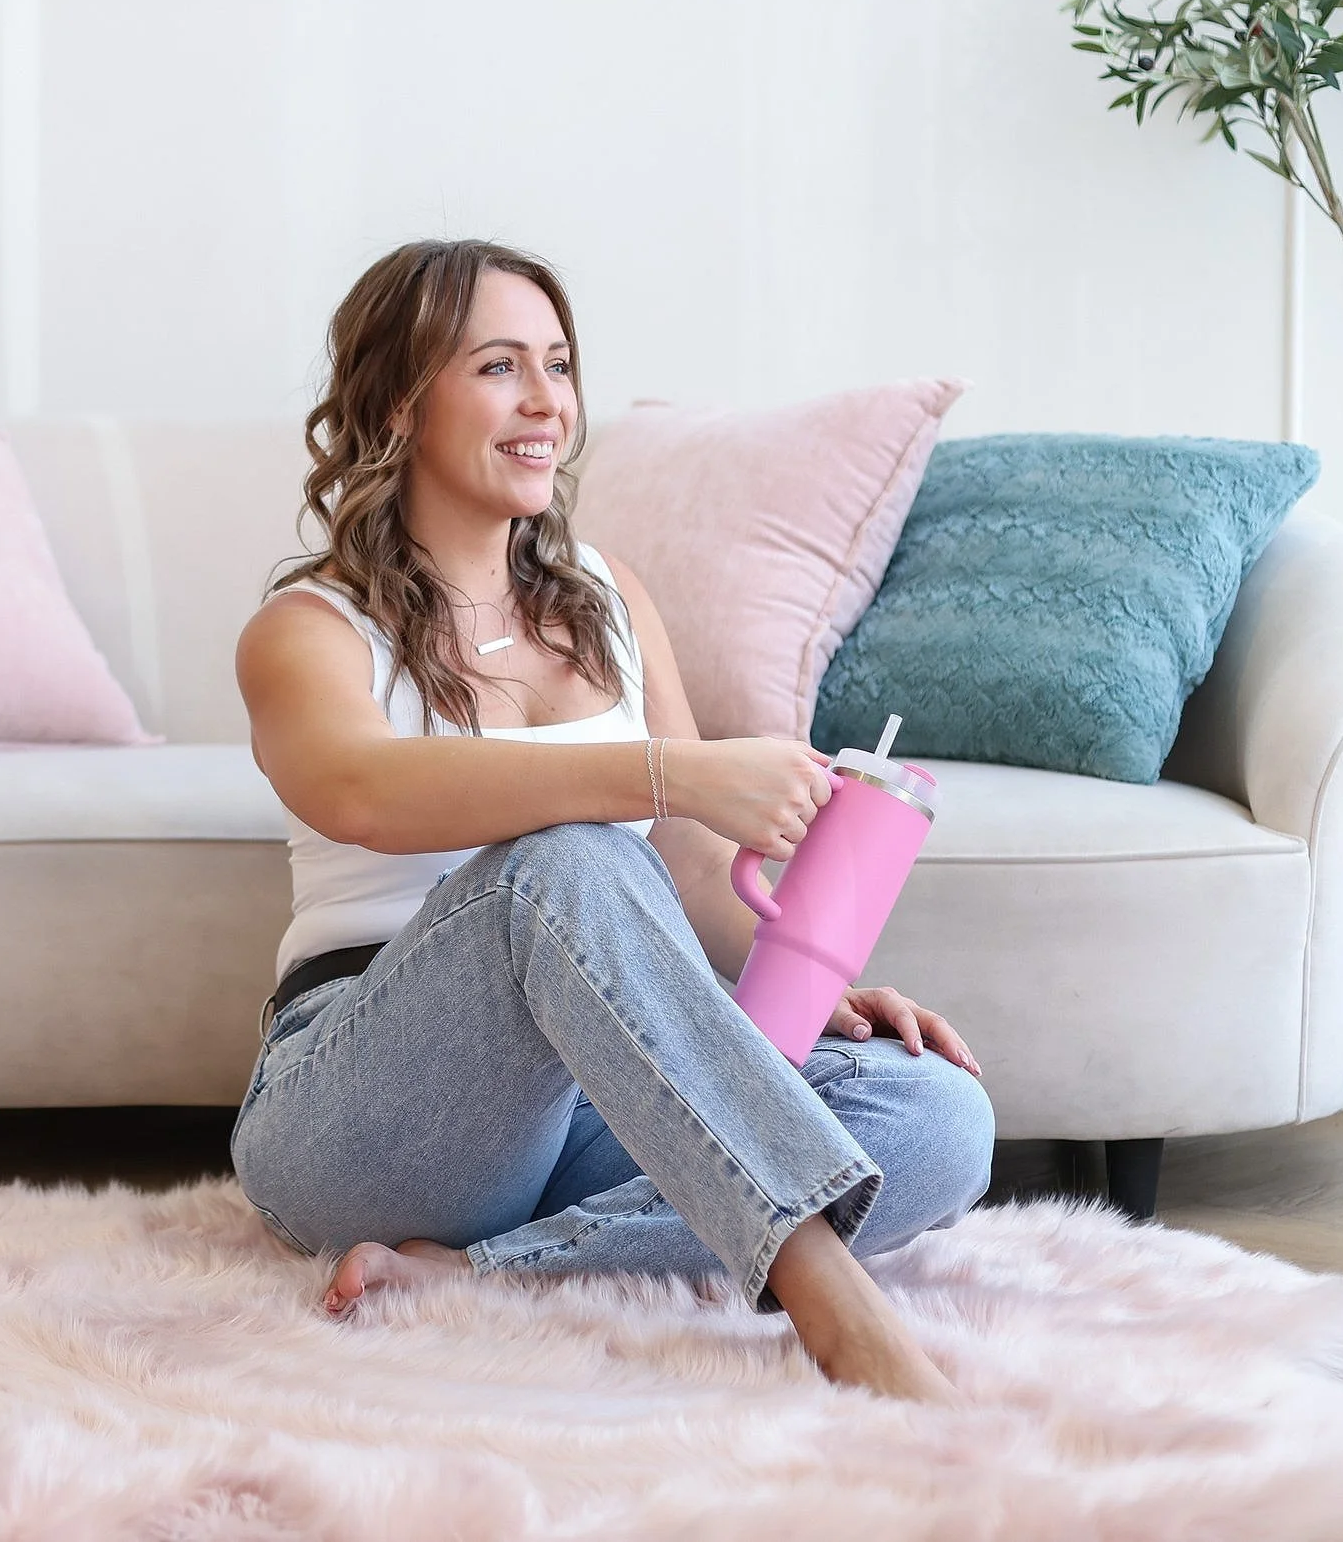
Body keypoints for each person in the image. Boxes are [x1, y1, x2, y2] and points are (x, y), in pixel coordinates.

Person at [230, 239, 993, 1403]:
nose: (546, 402)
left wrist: (801, 989)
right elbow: (363, 791)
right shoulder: (309, 628)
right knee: (569, 859)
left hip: (586, 1093)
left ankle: (481, 1273)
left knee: (934, 1116)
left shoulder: (607, 598)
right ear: (397, 400)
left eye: (560, 363)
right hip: (367, 1106)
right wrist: (663, 775)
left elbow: (685, 872)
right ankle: (833, 1308)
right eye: (498, 366)